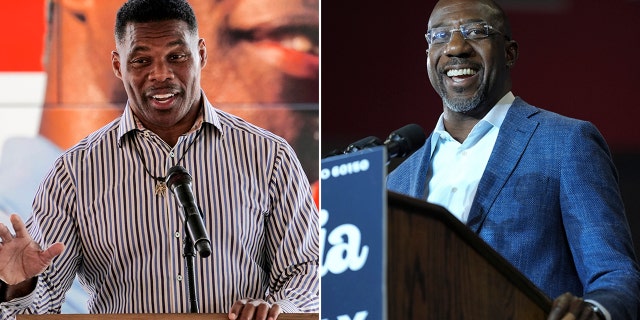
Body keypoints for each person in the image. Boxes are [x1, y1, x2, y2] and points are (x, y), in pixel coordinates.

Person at [0, 0, 319, 319]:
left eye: (177, 56)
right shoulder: (74, 173)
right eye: (140, 60)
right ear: (118, 64)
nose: (161, 75)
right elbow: (38, 307)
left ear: (200, 55)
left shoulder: (270, 155)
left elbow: (306, 272)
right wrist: (20, 285)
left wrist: (278, 310)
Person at [386, 0, 640, 319]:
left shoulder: (567, 142)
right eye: (439, 35)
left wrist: (592, 312)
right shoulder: (395, 180)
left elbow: (616, 278)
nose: (455, 47)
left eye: (476, 32)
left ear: (509, 53)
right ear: (427, 55)